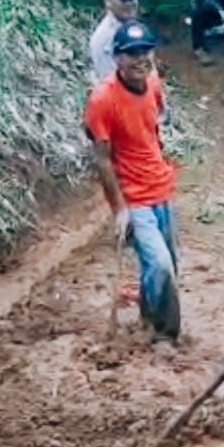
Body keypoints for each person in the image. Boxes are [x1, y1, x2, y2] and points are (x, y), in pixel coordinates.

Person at [84, 22, 181, 344]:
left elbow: (153, 129)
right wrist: (119, 209)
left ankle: (153, 321)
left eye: (145, 51)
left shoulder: (153, 83)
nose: (141, 59)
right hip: (133, 196)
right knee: (161, 265)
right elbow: (102, 159)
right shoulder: (102, 100)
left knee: (166, 266)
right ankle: (160, 332)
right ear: (116, 58)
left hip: (160, 187)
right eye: (132, 54)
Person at [90, 0, 140, 83]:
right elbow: (109, 83)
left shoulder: (135, 28)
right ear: (107, 0)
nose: (129, 2)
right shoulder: (104, 38)